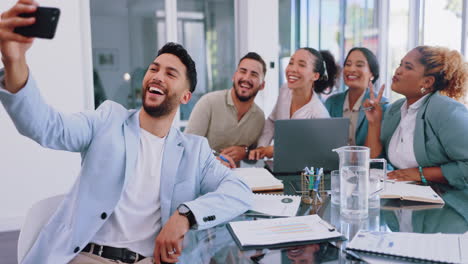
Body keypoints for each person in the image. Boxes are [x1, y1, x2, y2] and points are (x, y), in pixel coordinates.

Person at [0, 1, 252, 264]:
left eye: (170, 73)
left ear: (186, 96)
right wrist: (14, 59)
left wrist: (185, 216)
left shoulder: (194, 151)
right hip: (88, 256)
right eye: (154, 69)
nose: (157, 76)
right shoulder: (108, 119)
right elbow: (46, 127)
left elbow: (239, 191)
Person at [364, 46, 468, 189]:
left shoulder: (446, 111)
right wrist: (374, 123)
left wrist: (422, 173)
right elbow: (375, 160)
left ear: (427, 82)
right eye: (401, 64)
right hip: (402, 198)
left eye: (408, 67)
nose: (398, 70)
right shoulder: (395, 110)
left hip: (447, 203)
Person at [249, 48, 338, 160]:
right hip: (279, 166)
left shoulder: (319, 114)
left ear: (315, 76)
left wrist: (276, 150)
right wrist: (261, 147)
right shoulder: (285, 90)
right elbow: (272, 122)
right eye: (291, 63)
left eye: (301, 65)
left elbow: (316, 152)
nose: (292, 69)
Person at [185, 52, 266, 162]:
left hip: (234, 176)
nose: (246, 78)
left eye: (254, 74)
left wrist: (245, 151)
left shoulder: (259, 118)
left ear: (262, 85)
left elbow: (252, 156)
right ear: (234, 76)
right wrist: (215, 162)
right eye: (243, 71)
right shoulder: (208, 102)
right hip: (202, 174)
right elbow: (188, 147)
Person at [325, 47, 389, 146]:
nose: (351, 69)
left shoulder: (382, 106)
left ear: (372, 74)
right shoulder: (331, 103)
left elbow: (379, 155)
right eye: (348, 64)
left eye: (359, 65)